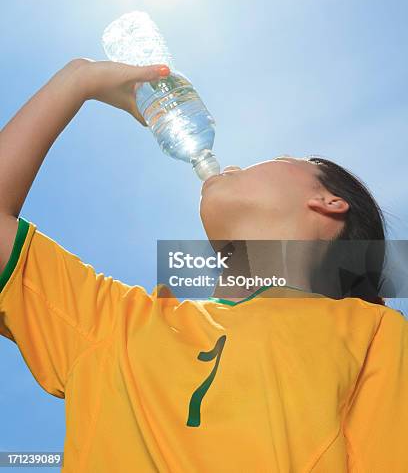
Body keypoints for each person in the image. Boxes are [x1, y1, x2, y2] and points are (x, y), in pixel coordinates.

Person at [0, 58, 407, 472]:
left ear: (328, 202)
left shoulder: (377, 335)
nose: (231, 167)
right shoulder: (117, 325)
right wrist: (78, 79)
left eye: (284, 157)